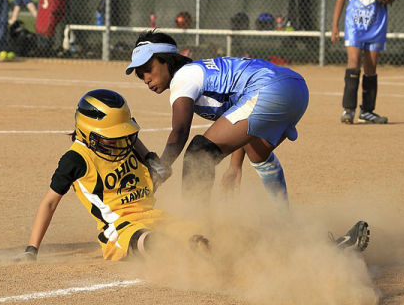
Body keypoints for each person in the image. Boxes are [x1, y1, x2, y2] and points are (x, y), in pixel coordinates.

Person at [15, 89, 210, 263]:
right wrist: (32, 249)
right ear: (87, 133)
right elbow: (49, 202)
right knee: (151, 241)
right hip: (120, 227)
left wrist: (150, 158)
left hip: (153, 215)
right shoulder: (75, 159)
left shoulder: (120, 141)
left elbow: (131, 139)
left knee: (197, 235)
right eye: (112, 137)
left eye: (123, 135)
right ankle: (172, 255)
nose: (121, 142)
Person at [124, 30, 309, 209]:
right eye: (141, 75)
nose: (146, 78)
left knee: (198, 154)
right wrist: (235, 166)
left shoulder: (183, 78)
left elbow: (180, 131)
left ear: (166, 60)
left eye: (148, 69)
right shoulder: (199, 71)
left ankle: (195, 226)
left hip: (270, 88)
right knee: (257, 153)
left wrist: (162, 167)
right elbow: (236, 118)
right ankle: (284, 218)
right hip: (295, 87)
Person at [332, 0, 389, 124]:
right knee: (354, 62)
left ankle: (367, 112)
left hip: (376, 25)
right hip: (354, 24)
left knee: (371, 67)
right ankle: (349, 110)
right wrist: (335, 25)